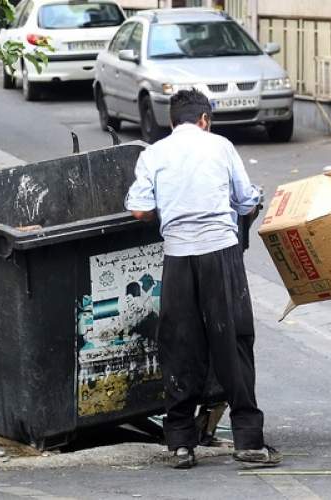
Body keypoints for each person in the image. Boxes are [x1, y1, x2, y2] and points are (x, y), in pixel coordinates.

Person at [125, 89, 281, 469]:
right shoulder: (221, 146)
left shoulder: (154, 153)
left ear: (172, 121)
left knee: (180, 347)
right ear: (205, 119)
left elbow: (140, 210)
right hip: (220, 255)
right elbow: (246, 201)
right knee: (234, 343)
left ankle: (180, 443)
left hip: (178, 259)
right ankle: (249, 442)